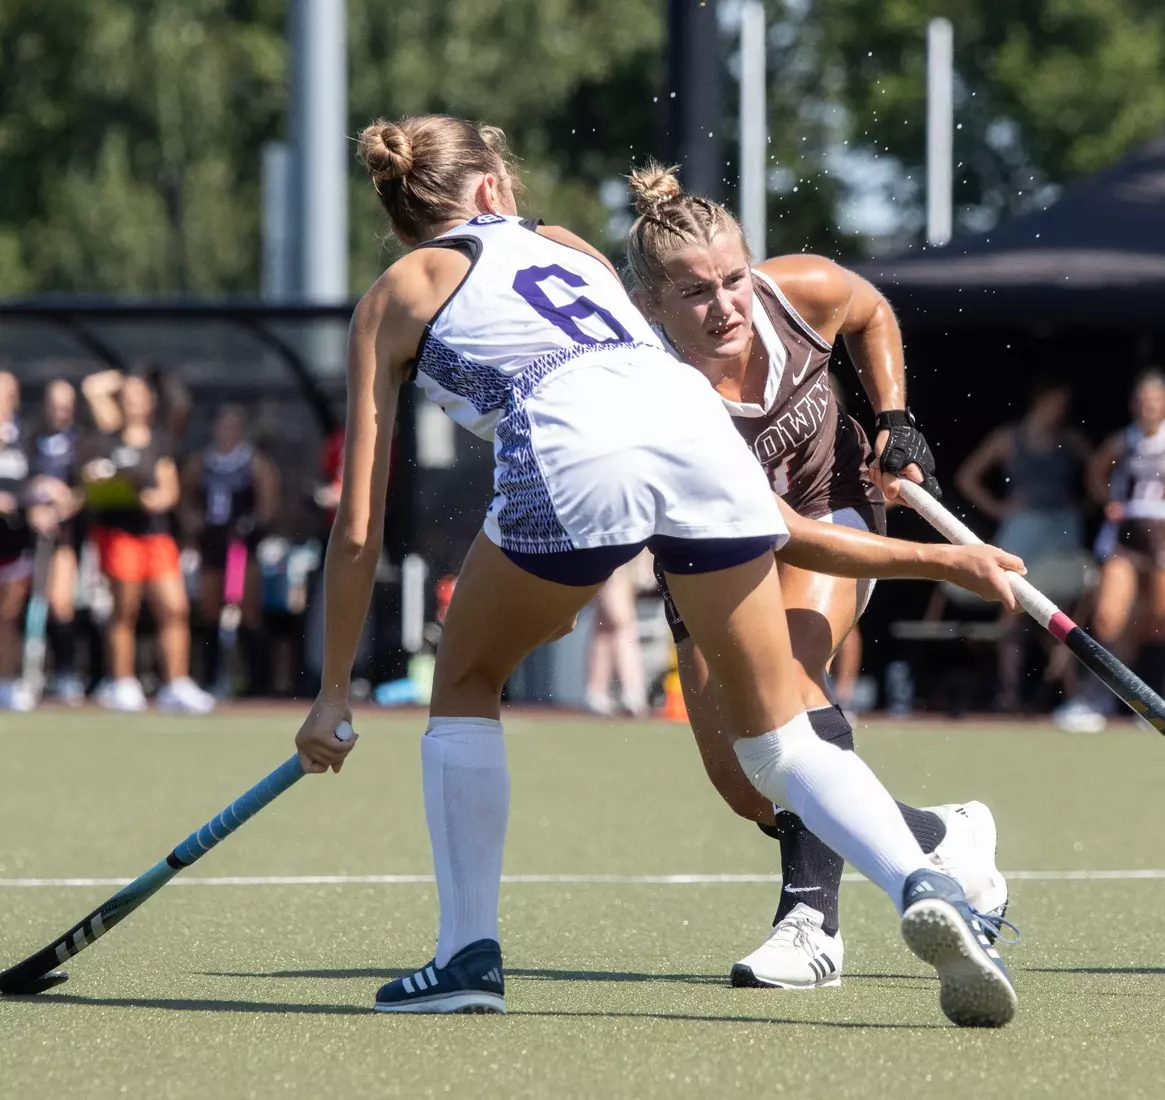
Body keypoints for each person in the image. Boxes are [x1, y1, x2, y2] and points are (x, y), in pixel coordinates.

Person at [295, 114, 1018, 1027]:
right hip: (689, 421)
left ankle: (466, 955)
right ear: (491, 191)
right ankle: (925, 874)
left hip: (566, 443)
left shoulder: (392, 295)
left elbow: (358, 527)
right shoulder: (563, 243)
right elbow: (681, 462)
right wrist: (940, 562)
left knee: (470, 678)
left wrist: (332, 694)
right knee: (776, 740)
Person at [623, 164, 1005, 990]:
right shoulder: (660, 395)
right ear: (651, 305)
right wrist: (948, 561)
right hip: (716, 556)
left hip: (834, 507)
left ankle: (810, 927)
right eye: (694, 294)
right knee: (749, 781)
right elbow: (778, 535)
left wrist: (895, 419)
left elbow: (871, 312)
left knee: (792, 684)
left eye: (732, 279)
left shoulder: (797, 293)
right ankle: (940, 837)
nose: (726, 306)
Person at [1055, 369, 1165, 732]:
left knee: (1159, 622)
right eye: (1143, 401)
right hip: (1128, 538)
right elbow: (1095, 473)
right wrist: (1108, 501)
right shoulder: (1124, 440)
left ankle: (1154, 704)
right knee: (1107, 616)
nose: (1149, 408)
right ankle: (1096, 698)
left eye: (1155, 401)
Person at [79, 369, 215, 715]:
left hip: (155, 536)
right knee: (125, 610)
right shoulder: (107, 439)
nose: (134, 401)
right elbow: (93, 387)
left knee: (174, 608)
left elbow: (168, 491)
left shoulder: (161, 440)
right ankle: (123, 682)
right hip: (118, 534)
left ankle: (176, 683)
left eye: (140, 395)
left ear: (151, 402)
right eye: (128, 396)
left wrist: (154, 498)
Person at [956, 375, 1092, 710]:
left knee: (1065, 608)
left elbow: (1101, 474)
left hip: (1061, 531)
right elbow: (967, 477)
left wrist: (1085, 506)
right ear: (1040, 400)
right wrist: (999, 507)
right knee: (1013, 606)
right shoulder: (1009, 438)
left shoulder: (1070, 439)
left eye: (1064, 406)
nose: (1059, 412)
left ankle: (1074, 694)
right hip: (1022, 531)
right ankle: (1010, 691)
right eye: (1054, 403)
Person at [182, 405, 280, 696]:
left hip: (240, 545)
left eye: (234, 426)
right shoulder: (202, 461)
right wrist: (194, 522)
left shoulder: (254, 463)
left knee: (245, 610)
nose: (228, 432)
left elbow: (268, 505)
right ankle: (211, 677)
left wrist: (251, 525)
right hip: (211, 544)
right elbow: (186, 497)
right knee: (210, 610)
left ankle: (255, 682)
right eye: (223, 425)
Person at [24, 379, 88, 703]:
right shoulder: (30, 436)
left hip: (64, 534)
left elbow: (88, 484)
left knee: (61, 604)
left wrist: (67, 503)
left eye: (67, 404)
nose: (60, 410)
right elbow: (18, 476)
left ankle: (66, 672)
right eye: (55, 403)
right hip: (26, 534)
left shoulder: (82, 440)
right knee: (25, 605)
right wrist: (34, 502)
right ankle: (25, 675)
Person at [0, 372, 33, 711]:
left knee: (8, 615)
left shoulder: (24, 437)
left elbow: (36, 476)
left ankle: (6, 682)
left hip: (12, 542)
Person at [584, 553, 647, 717]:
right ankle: (630, 691)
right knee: (621, 623)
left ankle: (599, 691)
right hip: (612, 554)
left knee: (606, 626)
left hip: (621, 555)